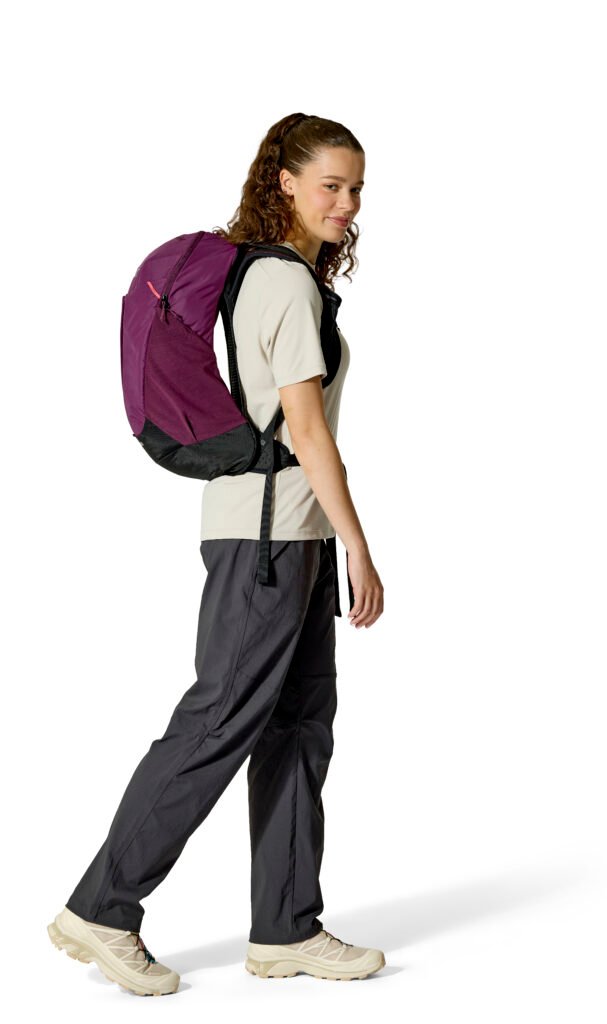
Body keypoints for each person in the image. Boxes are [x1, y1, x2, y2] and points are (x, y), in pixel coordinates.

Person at [46, 113, 385, 996]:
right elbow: (306, 430)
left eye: (356, 188)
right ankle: (102, 907)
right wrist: (360, 546)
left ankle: (285, 928)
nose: (346, 203)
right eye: (330, 186)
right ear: (285, 182)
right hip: (267, 536)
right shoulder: (281, 282)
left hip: (289, 531)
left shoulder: (276, 277)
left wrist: (329, 538)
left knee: (298, 725)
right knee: (219, 718)